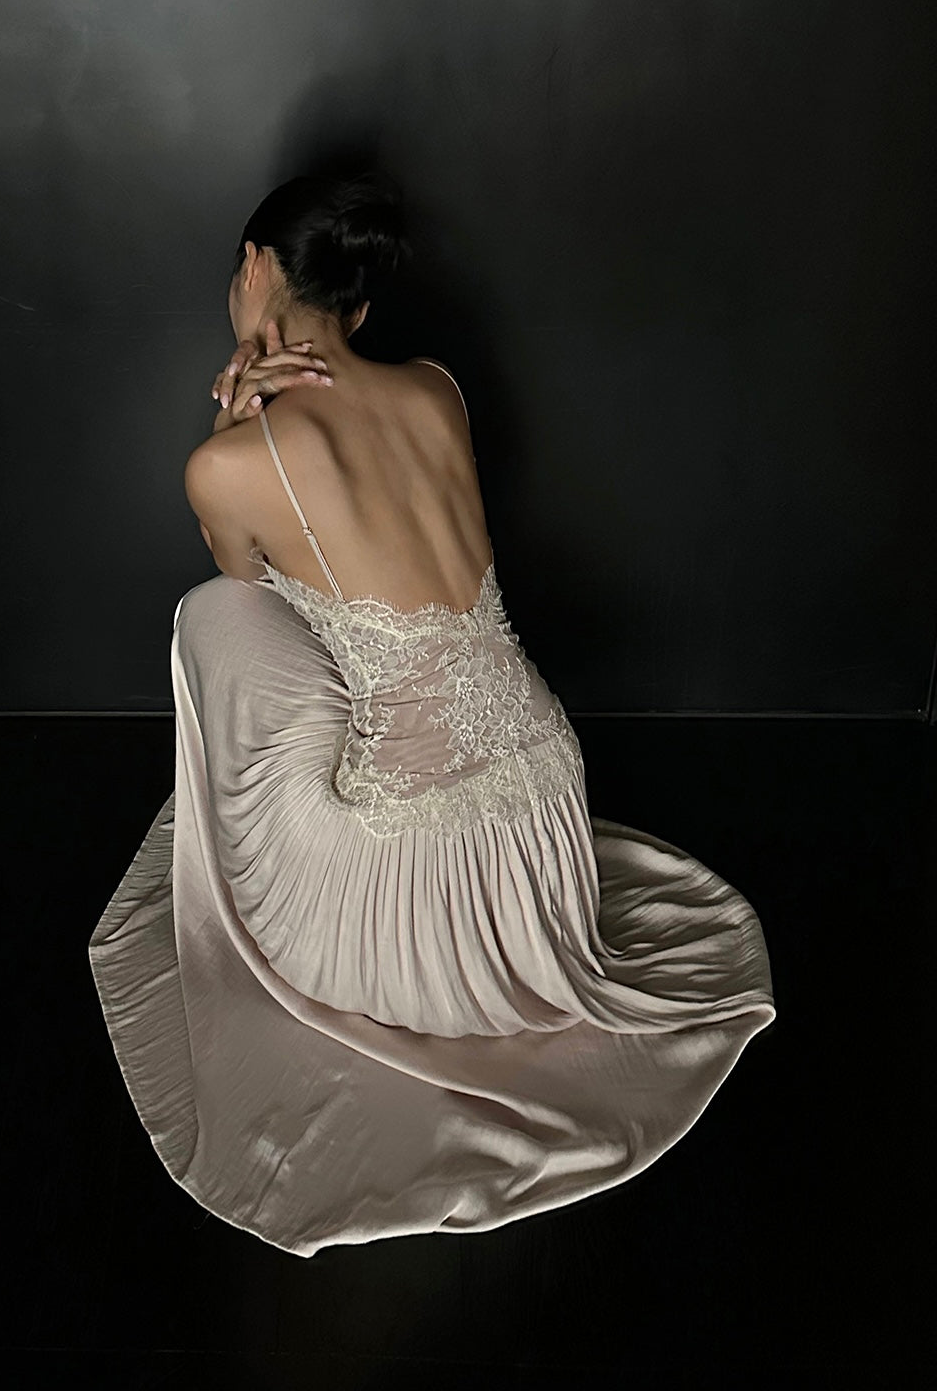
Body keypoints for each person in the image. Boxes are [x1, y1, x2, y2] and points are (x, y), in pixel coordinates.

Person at [89, 172, 776, 1258]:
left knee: (209, 616)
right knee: (390, 648)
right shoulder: (437, 388)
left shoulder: (228, 463)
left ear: (254, 269)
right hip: (546, 802)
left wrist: (231, 424)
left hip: (419, 871)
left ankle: (251, 827)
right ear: (360, 308)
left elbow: (246, 580)